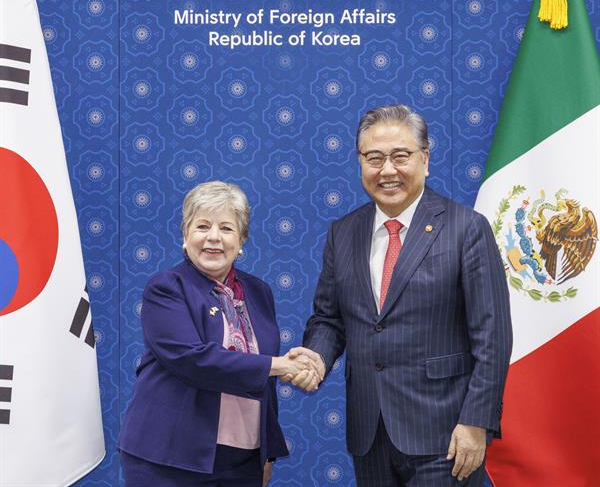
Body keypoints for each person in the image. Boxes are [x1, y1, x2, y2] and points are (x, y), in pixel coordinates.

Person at [287, 104, 513, 486]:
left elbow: (493, 336)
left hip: (446, 435)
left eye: (400, 156)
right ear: (360, 162)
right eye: (374, 158)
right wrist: (317, 358)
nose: (387, 170)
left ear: (425, 159)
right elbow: (330, 318)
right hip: (370, 433)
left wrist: (477, 421)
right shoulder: (343, 232)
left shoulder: (466, 228)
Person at [118, 181, 320, 487]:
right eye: (202, 226)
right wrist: (280, 365)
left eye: (226, 228)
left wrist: (267, 453)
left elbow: (265, 383)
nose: (213, 237)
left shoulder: (259, 292)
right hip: (170, 457)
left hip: (242, 461)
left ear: (241, 240)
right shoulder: (167, 288)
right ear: (185, 235)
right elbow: (193, 360)